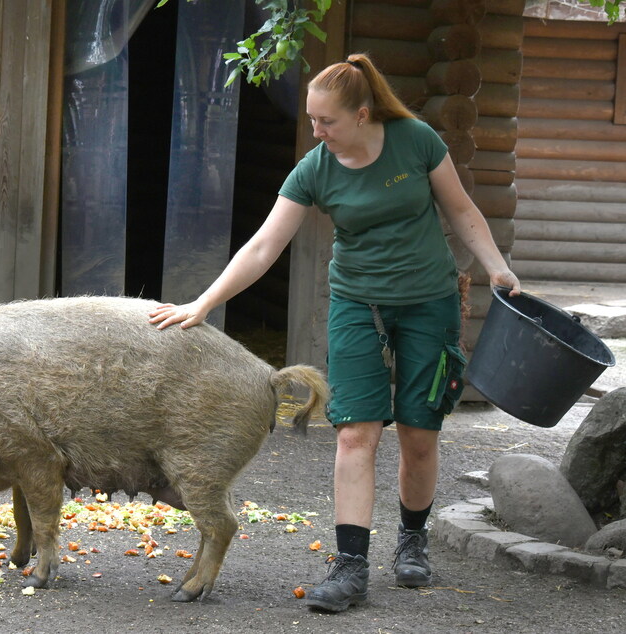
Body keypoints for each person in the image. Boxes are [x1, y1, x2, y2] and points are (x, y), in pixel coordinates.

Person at [148, 52, 521, 613]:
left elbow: (463, 210)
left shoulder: (415, 141)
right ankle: (350, 567)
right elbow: (263, 246)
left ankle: (412, 540)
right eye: (312, 120)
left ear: (364, 114)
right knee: (354, 433)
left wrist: (495, 266)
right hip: (357, 305)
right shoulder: (315, 168)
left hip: (429, 303)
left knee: (419, 435)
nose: (317, 132)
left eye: (327, 121)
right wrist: (203, 303)